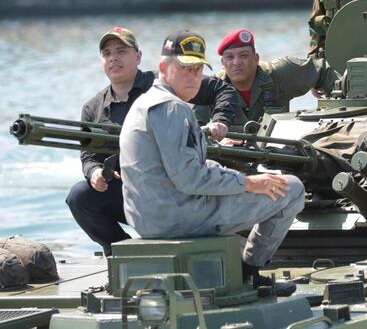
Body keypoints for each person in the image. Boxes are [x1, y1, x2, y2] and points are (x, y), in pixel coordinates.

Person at [119, 30, 304, 294]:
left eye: (197, 69)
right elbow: (191, 179)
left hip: (149, 217)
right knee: (292, 188)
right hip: (179, 218)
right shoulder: (173, 108)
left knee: (257, 183)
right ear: (163, 68)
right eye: (185, 69)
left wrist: (236, 178)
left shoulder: (145, 102)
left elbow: (188, 167)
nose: (194, 77)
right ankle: (249, 273)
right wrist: (249, 183)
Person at [66, 27, 240, 257]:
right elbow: (88, 155)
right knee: (80, 196)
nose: (113, 58)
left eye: (121, 51)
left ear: (138, 56)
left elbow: (222, 89)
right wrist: (95, 171)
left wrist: (220, 121)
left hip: (176, 186)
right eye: (107, 53)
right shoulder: (93, 108)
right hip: (133, 193)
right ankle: (124, 254)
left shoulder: (164, 84)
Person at [194, 28, 338, 129]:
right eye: (230, 57)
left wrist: (324, 90)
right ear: (223, 64)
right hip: (232, 160)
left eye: (244, 55)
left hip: (279, 155)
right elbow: (193, 131)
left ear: (256, 59)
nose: (236, 62)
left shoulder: (279, 74)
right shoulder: (210, 89)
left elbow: (323, 71)